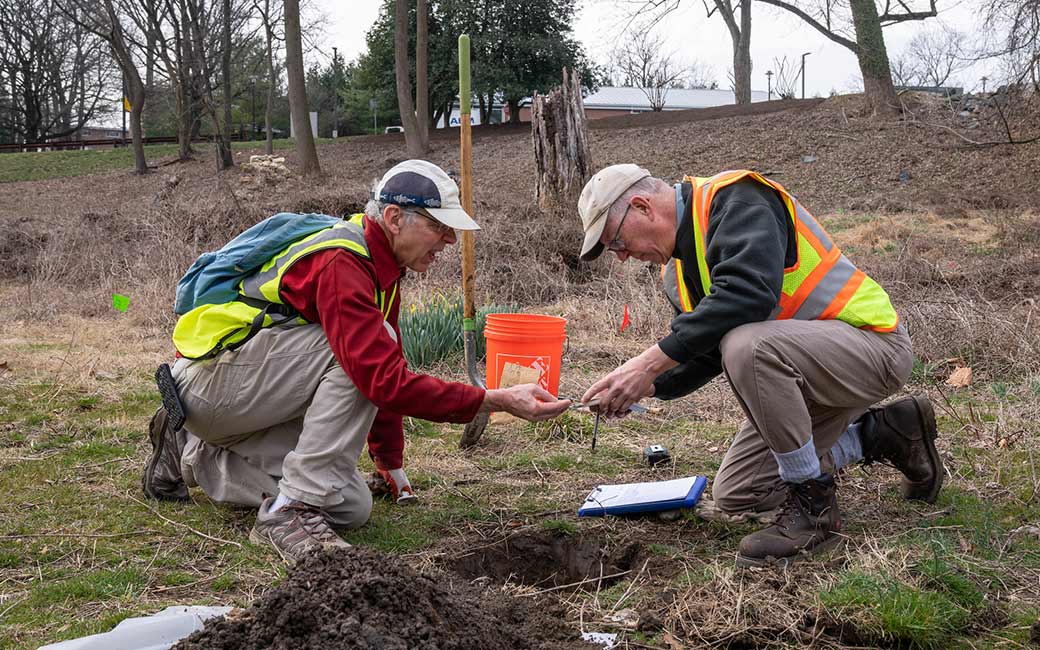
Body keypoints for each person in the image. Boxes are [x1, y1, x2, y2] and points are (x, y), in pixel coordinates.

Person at [143, 160, 570, 559]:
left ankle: (194, 453)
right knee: (352, 369)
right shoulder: (341, 263)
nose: (450, 240)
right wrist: (493, 399)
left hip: (241, 401)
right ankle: (289, 510)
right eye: (439, 226)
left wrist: (389, 461)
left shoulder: (381, 268)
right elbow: (382, 380)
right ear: (395, 218)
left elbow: (385, 367)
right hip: (211, 384)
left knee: (349, 505)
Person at [576, 164, 943, 567]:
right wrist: (645, 386)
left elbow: (749, 296)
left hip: (873, 348)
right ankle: (884, 434)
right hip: (807, 376)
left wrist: (646, 363)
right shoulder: (677, 274)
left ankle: (814, 511)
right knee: (740, 493)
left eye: (616, 242)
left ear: (643, 207)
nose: (624, 257)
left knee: (746, 345)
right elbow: (705, 352)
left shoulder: (735, 198)